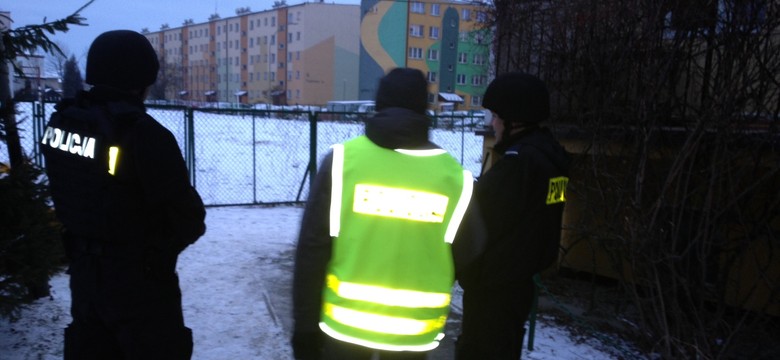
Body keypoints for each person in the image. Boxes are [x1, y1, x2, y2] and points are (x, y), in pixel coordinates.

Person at [291, 68, 484, 360]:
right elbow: (469, 254)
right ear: (423, 108)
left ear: (379, 105)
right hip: (414, 332)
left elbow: (312, 250)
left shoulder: (342, 162)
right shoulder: (455, 178)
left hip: (345, 328)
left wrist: (305, 328)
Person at [40, 30, 206, 360]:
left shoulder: (62, 121)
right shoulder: (144, 133)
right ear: (144, 77)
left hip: (85, 280)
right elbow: (189, 220)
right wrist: (155, 250)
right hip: (139, 288)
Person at [455, 72, 571, 360]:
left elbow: (479, 222)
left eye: (495, 116)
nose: (492, 123)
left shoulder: (518, 165)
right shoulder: (551, 160)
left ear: (513, 121)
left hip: (492, 292)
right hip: (519, 286)